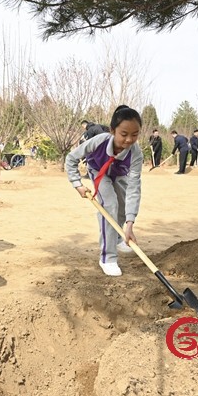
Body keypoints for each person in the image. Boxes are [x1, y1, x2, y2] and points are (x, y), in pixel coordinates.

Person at [66, 105, 143, 277]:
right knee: (110, 206)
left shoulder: (136, 154)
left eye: (135, 134)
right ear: (113, 130)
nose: (129, 140)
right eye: (124, 134)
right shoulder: (98, 141)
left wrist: (130, 224)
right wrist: (77, 183)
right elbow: (71, 158)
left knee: (122, 207)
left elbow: (134, 188)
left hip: (119, 175)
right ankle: (108, 258)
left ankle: (117, 237)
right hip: (99, 172)